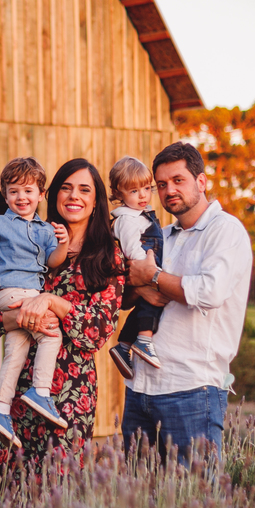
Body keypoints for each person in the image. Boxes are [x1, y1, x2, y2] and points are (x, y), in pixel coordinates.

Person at [0, 159, 126, 468]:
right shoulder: (29, 242)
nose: (74, 196)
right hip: (17, 392)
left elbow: (97, 332)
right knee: (7, 492)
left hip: (69, 396)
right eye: (66, 188)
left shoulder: (107, 255)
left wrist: (49, 301)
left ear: (96, 200)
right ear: (52, 195)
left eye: (84, 190)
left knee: (58, 494)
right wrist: (20, 316)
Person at [121, 142, 252, 466]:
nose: (169, 191)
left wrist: (152, 276)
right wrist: (142, 284)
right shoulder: (160, 234)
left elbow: (208, 292)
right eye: (162, 184)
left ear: (201, 181)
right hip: (140, 389)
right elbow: (126, 294)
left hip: (192, 389)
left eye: (178, 180)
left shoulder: (226, 231)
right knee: (136, 504)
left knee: (195, 504)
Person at [0, 157, 71, 443]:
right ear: (5, 195)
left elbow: (53, 260)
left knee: (16, 351)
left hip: (22, 295)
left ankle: (0, 408)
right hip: (14, 292)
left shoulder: (47, 229)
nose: (21, 197)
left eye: (28, 191)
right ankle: (41, 391)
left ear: (40, 194)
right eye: (14, 191)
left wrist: (63, 243)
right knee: (50, 335)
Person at [106, 156, 165, 379]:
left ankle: (124, 346)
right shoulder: (127, 220)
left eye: (146, 188)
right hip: (144, 268)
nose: (142, 195)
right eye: (133, 191)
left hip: (148, 267)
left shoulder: (139, 215)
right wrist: (150, 272)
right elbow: (132, 249)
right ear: (119, 194)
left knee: (143, 307)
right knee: (152, 302)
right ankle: (144, 340)